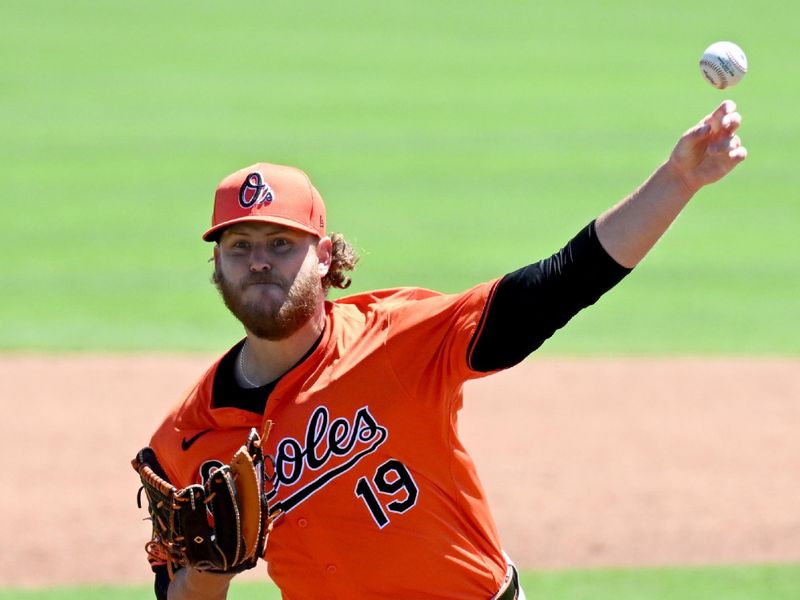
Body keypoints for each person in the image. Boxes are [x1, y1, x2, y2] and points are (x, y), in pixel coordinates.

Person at [140, 100, 746, 600]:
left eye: (280, 241)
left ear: (325, 256)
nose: (260, 260)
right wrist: (211, 569)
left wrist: (678, 180)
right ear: (216, 263)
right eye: (239, 245)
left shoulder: (399, 340)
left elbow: (557, 286)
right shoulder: (187, 436)